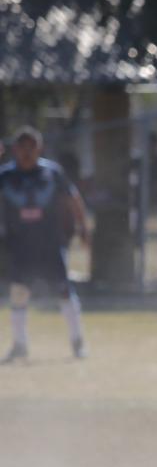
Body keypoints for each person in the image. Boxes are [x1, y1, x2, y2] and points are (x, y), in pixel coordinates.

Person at [1, 127, 92, 363]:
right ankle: (19, 345)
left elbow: (73, 199)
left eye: (32, 147)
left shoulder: (52, 173)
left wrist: (83, 227)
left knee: (63, 290)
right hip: (19, 245)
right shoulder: (6, 176)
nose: (27, 153)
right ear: (15, 149)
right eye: (23, 148)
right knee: (19, 293)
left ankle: (77, 341)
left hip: (50, 242)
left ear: (39, 148)